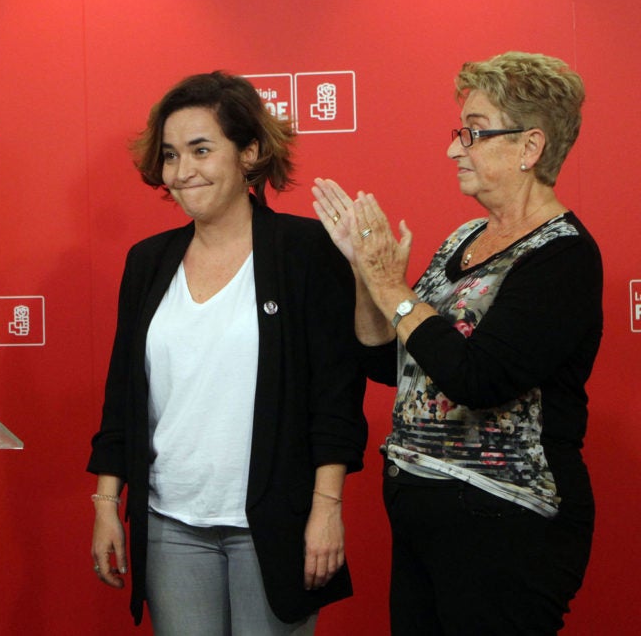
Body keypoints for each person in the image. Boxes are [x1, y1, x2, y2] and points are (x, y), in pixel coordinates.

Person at [311, 51, 600, 635]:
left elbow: (476, 378)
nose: (454, 148)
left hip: (509, 526)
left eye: (474, 131)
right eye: (459, 131)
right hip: (423, 518)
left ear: (529, 147)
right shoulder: (464, 237)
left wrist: (391, 284)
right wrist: (366, 278)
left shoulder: (562, 256)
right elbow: (390, 362)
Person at [87, 71, 368, 635]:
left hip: (274, 521)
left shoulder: (304, 251)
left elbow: (335, 393)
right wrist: (104, 504)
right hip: (170, 525)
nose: (182, 171)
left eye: (200, 150)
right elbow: (123, 393)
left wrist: (326, 505)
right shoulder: (148, 262)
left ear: (251, 153)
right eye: (170, 155)